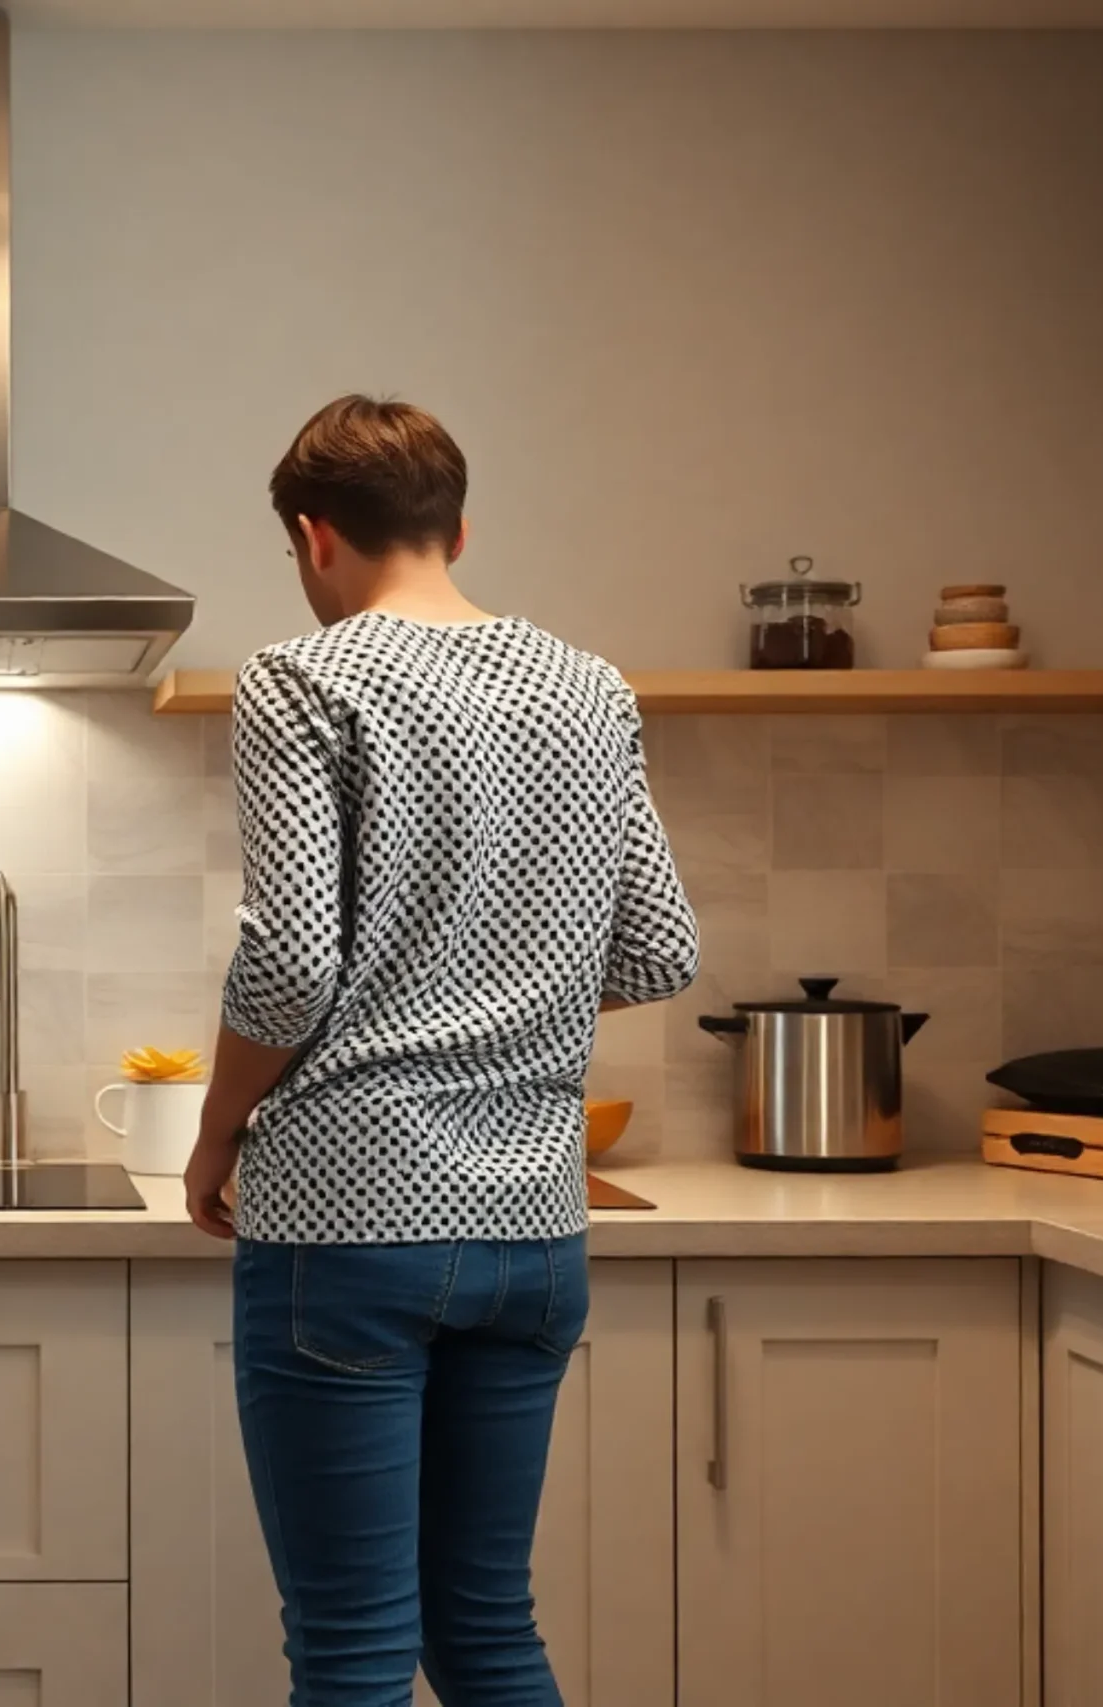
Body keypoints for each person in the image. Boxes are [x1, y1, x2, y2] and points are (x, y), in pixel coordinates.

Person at [184, 395, 700, 1706]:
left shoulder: (306, 677)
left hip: (348, 1221)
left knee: (354, 1651)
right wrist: (505, 992)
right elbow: (658, 949)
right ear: (458, 529)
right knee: (486, 1632)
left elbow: (290, 964)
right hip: (535, 1229)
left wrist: (217, 1128)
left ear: (314, 537)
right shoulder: (590, 685)